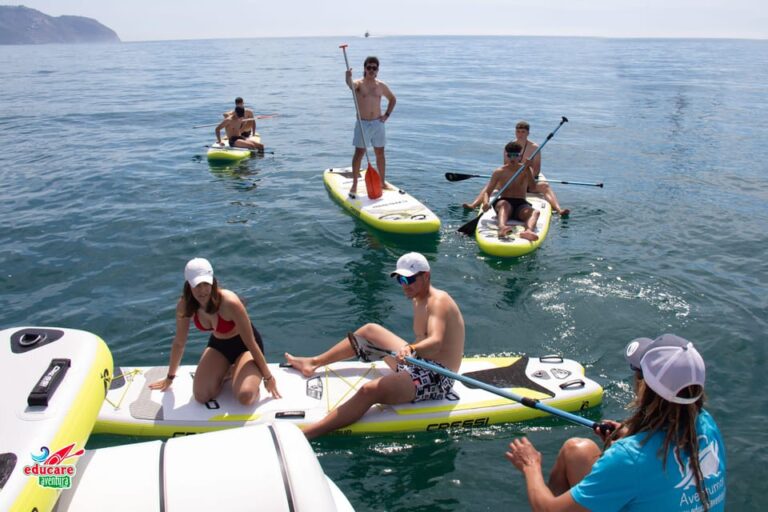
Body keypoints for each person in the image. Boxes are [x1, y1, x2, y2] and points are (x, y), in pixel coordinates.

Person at [505, 334, 726, 511]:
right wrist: (630, 433)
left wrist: (530, 465)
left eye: (638, 373)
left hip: (628, 468)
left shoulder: (629, 458)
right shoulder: (705, 423)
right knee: (577, 451)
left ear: (645, 388)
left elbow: (548, 509)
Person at [284, 252, 465, 439]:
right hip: (418, 361)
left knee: (368, 391)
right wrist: (412, 352)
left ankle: (306, 435)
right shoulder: (418, 297)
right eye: (400, 280)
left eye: (408, 279)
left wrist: (411, 349)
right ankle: (313, 363)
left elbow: (435, 342)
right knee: (369, 330)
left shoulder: (438, 301)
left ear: (426, 276)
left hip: (438, 376)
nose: (404, 285)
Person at [149, 258, 280, 405]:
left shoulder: (229, 302)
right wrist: (170, 377)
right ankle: (229, 371)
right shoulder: (184, 306)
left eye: (206, 284)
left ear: (213, 281)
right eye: (197, 285)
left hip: (245, 347)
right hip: (219, 346)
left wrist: (268, 377)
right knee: (201, 396)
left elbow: (251, 342)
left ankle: (245, 373)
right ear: (188, 285)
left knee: (245, 397)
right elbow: (179, 343)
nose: (203, 290)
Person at [463, 121, 569, 215]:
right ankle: (473, 205)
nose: (520, 134)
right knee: (491, 185)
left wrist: (525, 177)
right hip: (510, 180)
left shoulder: (534, 148)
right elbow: (506, 165)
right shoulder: (509, 147)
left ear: (528, 133)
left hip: (527, 180)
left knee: (545, 186)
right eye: (518, 131)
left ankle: (559, 210)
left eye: (523, 132)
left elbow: (537, 170)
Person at [345, 56, 397, 198]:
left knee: (380, 153)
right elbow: (351, 85)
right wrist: (347, 77)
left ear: (377, 70)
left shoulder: (381, 86)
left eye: (374, 68)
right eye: (369, 67)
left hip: (378, 124)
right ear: (365, 68)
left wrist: (386, 115)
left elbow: (393, 99)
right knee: (359, 154)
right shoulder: (359, 84)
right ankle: (355, 184)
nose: (371, 70)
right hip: (363, 124)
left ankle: (382, 182)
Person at [478, 141, 540, 240]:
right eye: (510, 155)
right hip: (504, 202)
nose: (512, 158)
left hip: (521, 204)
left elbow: (533, 188)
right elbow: (487, 191)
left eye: (516, 155)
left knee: (535, 212)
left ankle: (528, 231)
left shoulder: (526, 169)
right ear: (506, 155)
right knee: (505, 204)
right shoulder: (499, 171)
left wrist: (528, 169)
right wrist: (485, 202)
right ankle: (502, 228)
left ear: (520, 156)